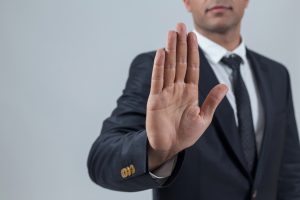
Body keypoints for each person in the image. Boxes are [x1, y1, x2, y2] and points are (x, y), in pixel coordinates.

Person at [87, 0, 300, 199]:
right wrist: (157, 151)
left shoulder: (277, 74)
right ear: (187, 2)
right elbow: (102, 161)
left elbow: (289, 170)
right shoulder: (157, 70)